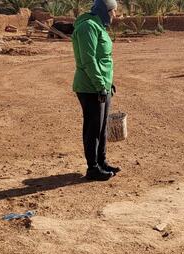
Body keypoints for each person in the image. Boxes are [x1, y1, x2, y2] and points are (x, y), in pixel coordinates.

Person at [72, 0, 120, 180]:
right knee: (93, 128)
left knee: (101, 127)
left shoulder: (99, 27)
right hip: (90, 87)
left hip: (100, 85)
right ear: (104, 10)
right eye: (113, 11)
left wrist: (108, 82)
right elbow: (88, 60)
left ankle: (102, 162)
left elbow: (103, 58)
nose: (115, 15)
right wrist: (100, 85)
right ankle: (92, 168)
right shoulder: (88, 27)